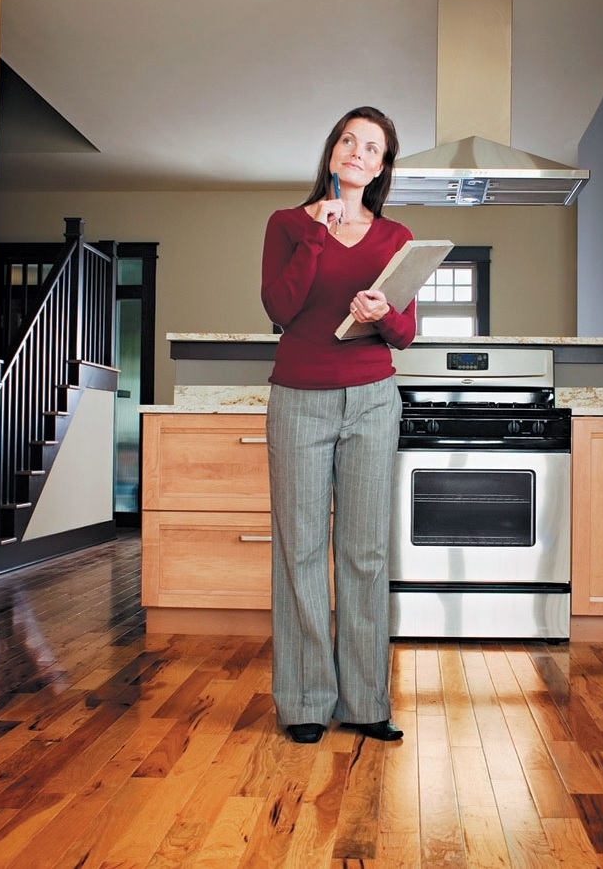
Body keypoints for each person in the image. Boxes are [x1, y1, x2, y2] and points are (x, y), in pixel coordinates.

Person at [259, 106, 415, 745]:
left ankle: (365, 701)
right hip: (299, 398)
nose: (358, 152)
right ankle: (304, 701)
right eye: (349, 140)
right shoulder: (288, 224)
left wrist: (381, 313)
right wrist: (317, 237)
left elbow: (405, 333)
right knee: (298, 549)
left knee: (364, 551)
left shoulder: (396, 237)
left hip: (373, 399)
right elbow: (279, 307)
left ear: (381, 167)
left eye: (372, 147)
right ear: (333, 152)